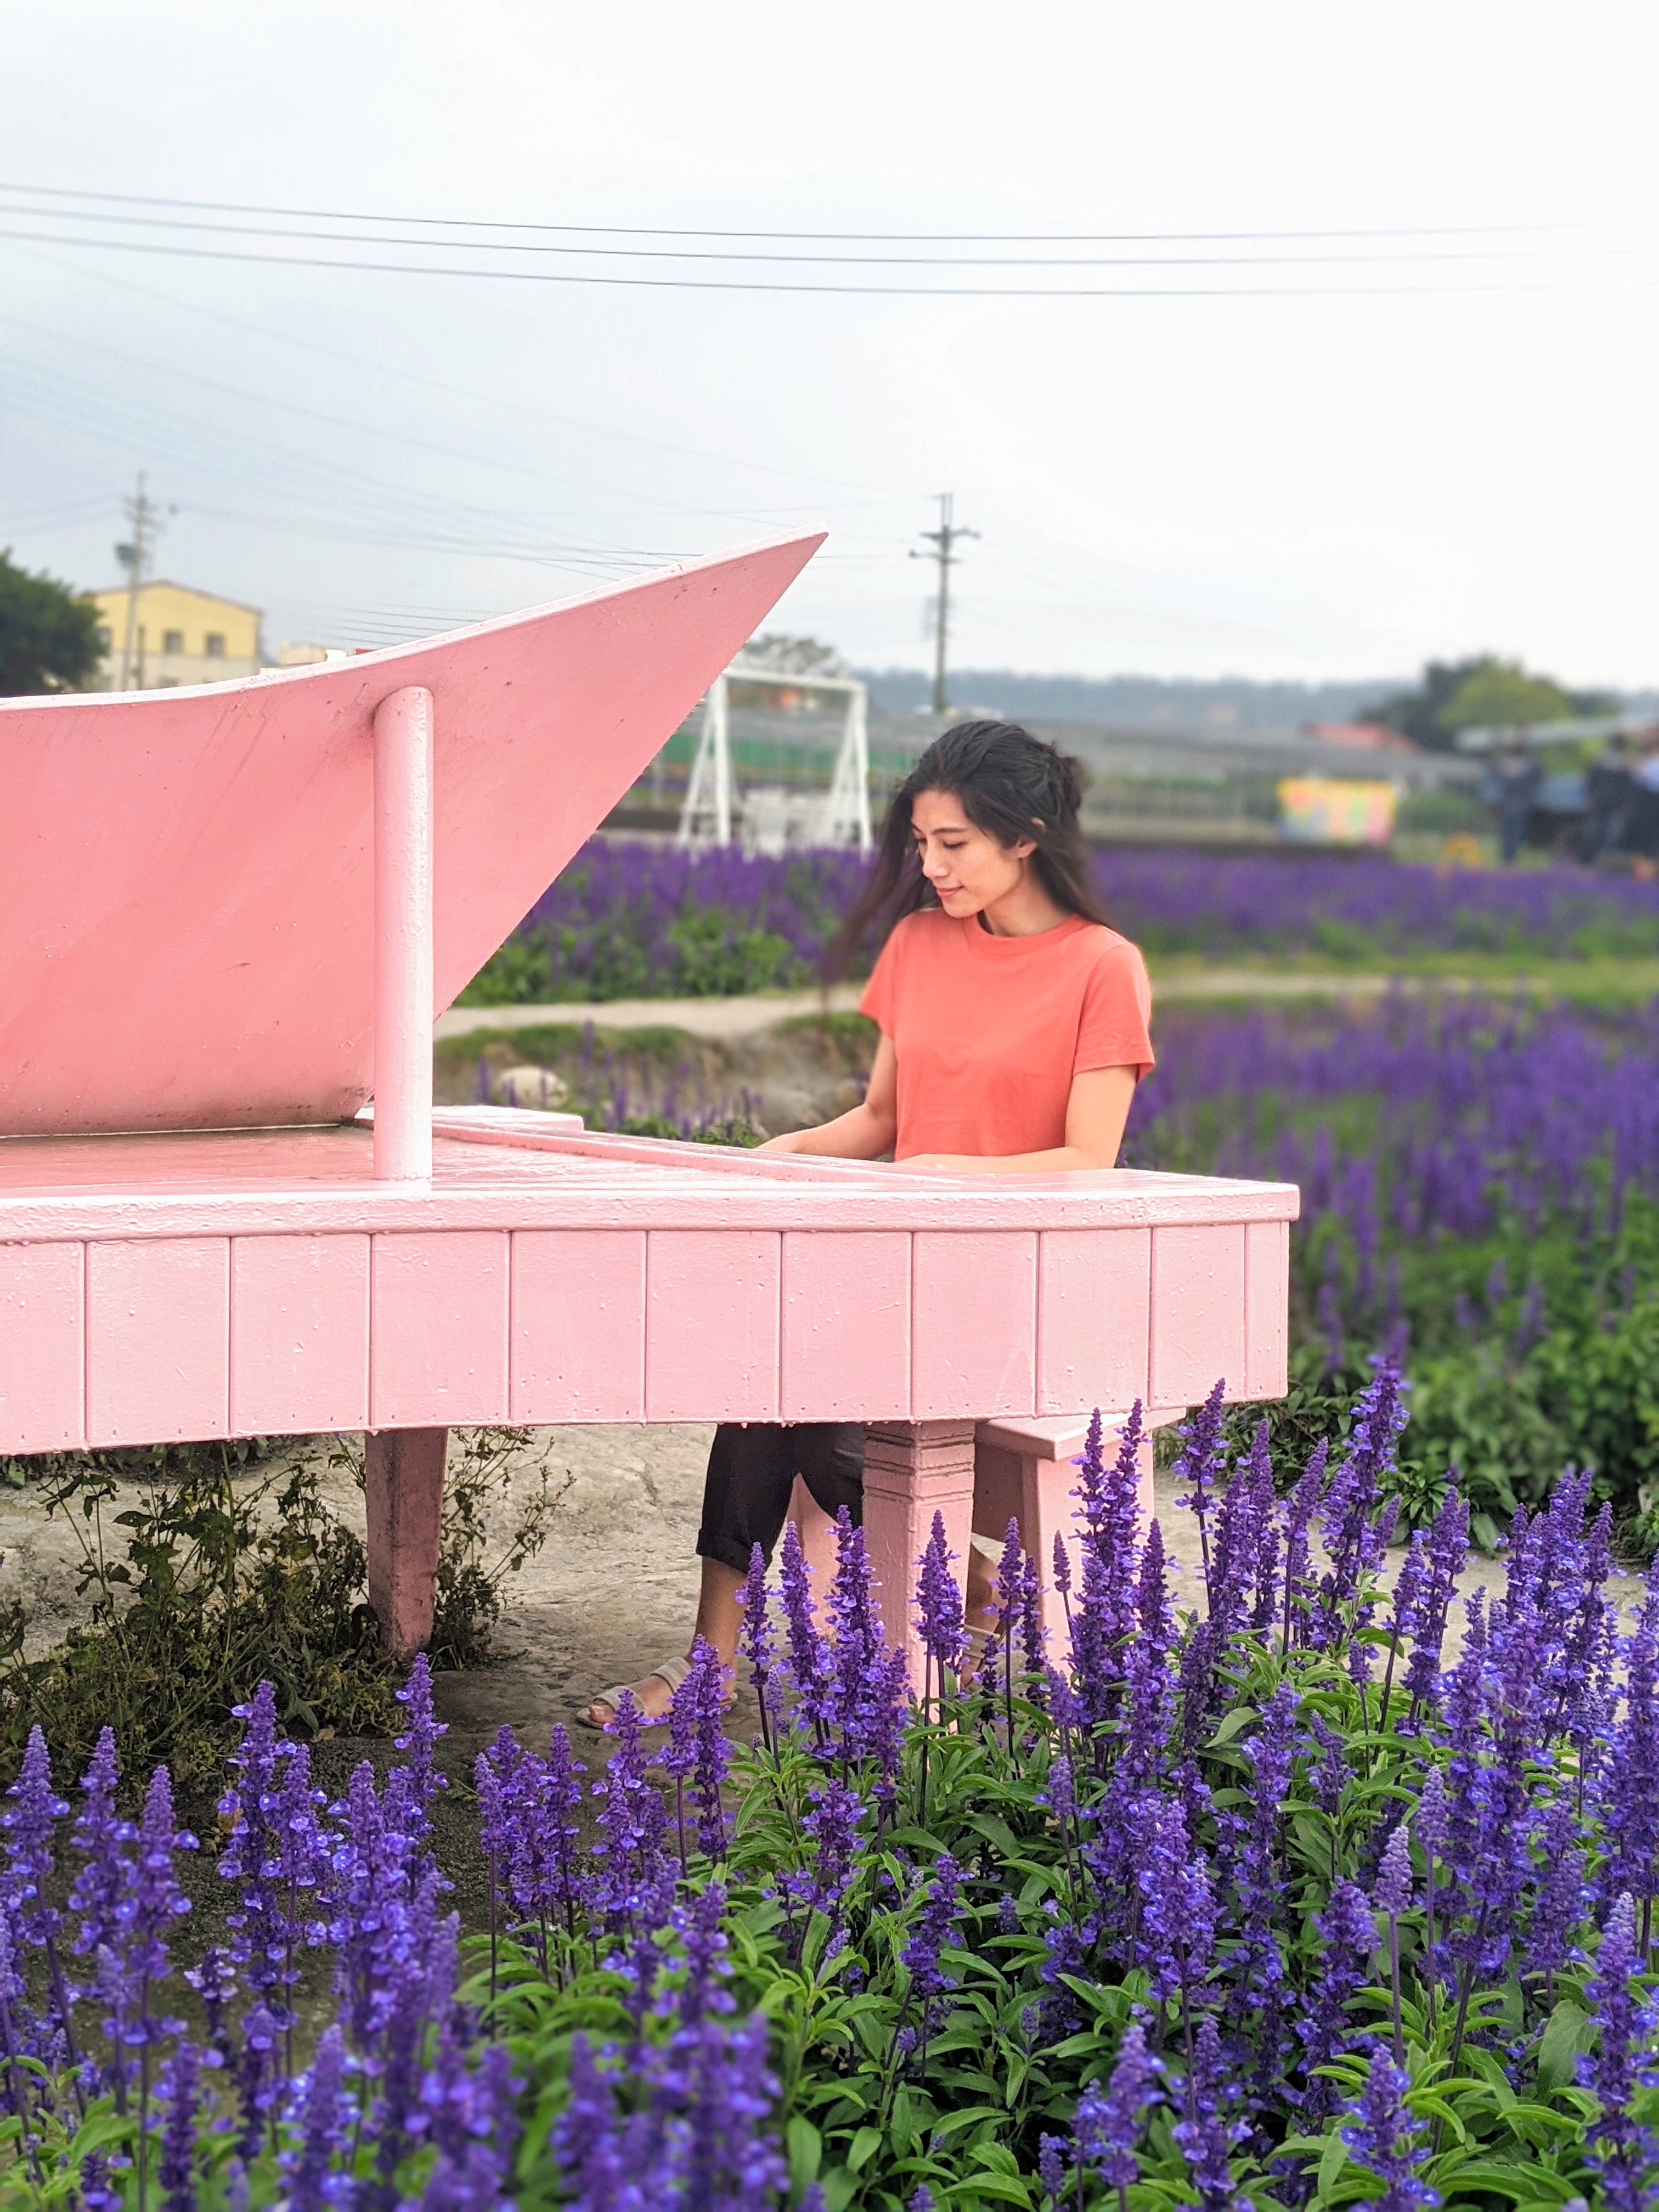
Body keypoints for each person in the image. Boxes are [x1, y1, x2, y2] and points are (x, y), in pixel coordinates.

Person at [580, 719, 1155, 1726]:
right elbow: (880, 1119)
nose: (930, 866)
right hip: (901, 1272)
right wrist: (781, 1152)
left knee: (811, 1411)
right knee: (760, 1394)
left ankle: (969, 1590)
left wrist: (943, 1174)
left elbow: (1086, 1158)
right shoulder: (918, 945)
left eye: (954, 844)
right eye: (921, 843)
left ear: (1025, 837)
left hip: (1016, 1289)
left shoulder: (1103, 966)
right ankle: (722, 1659)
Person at [1584, 733, 1636, 862]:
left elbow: (1592, 782)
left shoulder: (1606, 762)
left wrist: (1589, 798)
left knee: (1608, 832)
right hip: (1607, 802)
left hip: (1610, 802)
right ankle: (1597, 858)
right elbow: (1592, 782)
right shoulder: (1616, 762)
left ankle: (1602, 858)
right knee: (1601, 831)